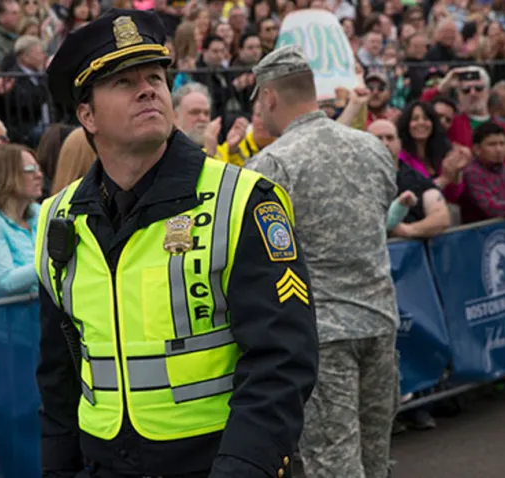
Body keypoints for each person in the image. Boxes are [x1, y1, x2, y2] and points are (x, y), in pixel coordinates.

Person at [37, 9, 318, 478]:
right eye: (124, 83)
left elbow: (283, 359)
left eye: (154, 77)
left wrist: (241, 467)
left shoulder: (243, 200)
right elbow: (59, 371)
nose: (148, 88)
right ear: (86, 115)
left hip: (219, 464)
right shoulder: (57, 219)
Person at [247, 46, 398, 478]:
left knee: (333, 464)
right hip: (380, 322)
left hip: (323, 335)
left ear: (270, 97)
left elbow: (263, 252)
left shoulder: (274, 162)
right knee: (375, 459)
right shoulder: (372, 148)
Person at [0, 144, 42, 300]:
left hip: (48, 318)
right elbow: (5, 281)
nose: (39, 175)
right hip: (11, 321)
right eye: (31, 169)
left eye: (38, 168)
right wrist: (52, 263)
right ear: (5, 176)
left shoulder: (39, 212)